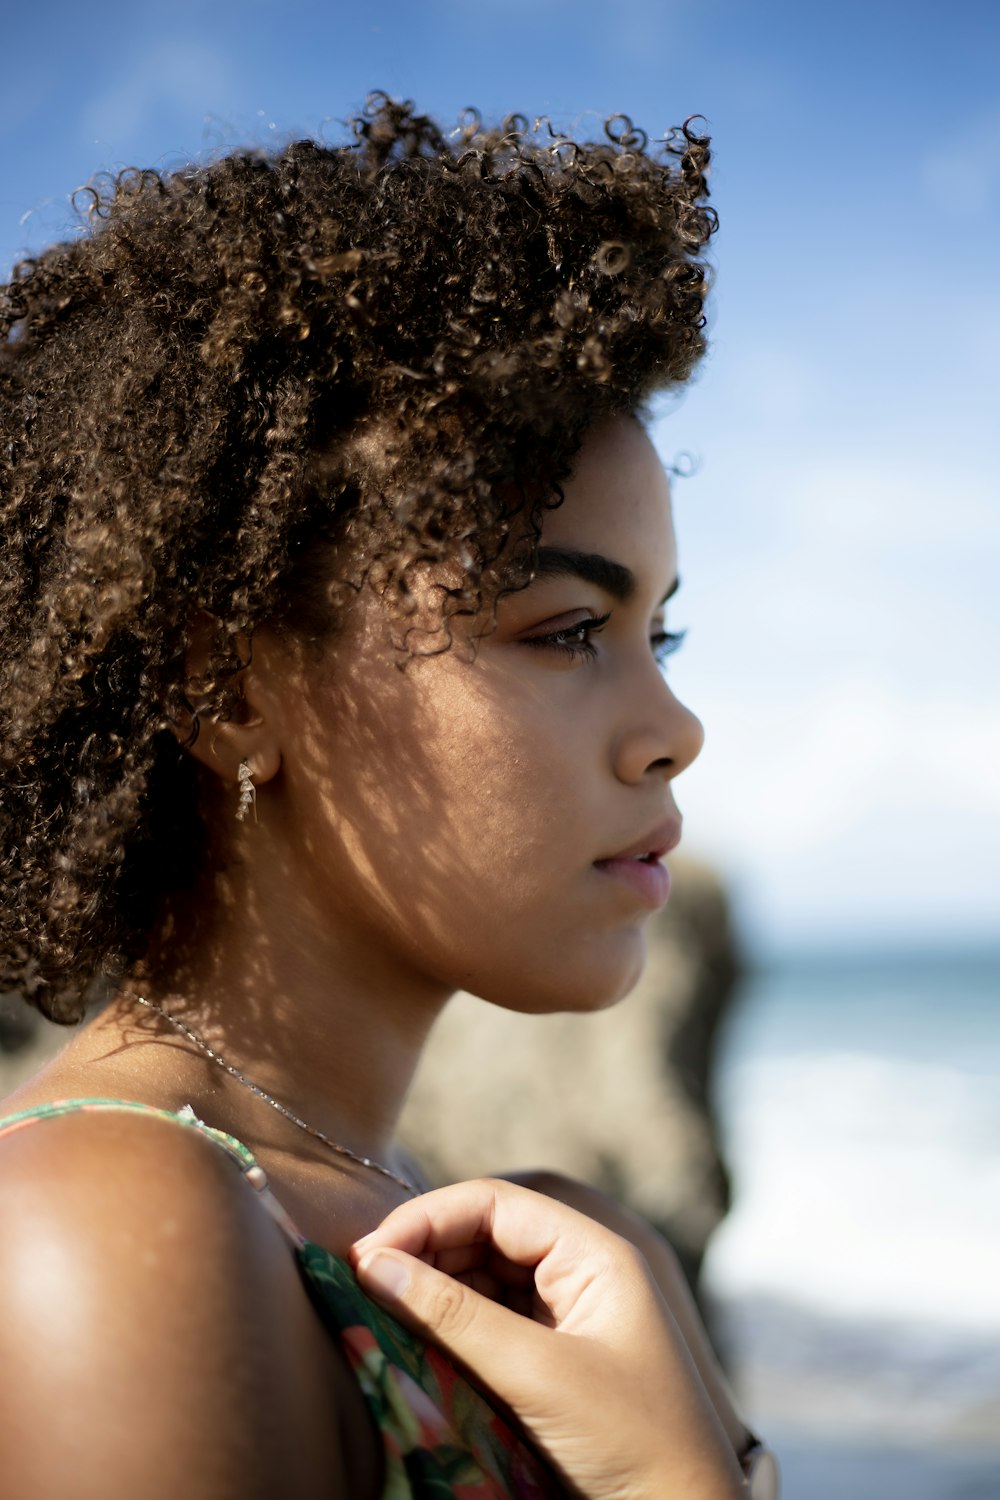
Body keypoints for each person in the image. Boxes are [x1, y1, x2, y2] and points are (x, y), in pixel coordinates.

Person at [0, 95, 777, 1497]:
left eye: (658, 634)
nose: (676, 730)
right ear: (229, 689)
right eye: (562, 632)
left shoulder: (562, 1258)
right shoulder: (109, 1235)